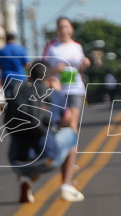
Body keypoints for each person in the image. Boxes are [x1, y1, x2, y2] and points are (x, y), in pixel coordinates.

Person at [5, 62, 80, 204]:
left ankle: (25, 178)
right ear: (50, 78)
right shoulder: (53, 94)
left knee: (24, 138)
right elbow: (67, 120)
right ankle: (66, 186)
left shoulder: (17, 93)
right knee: (71, 134)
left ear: (29, 76)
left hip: (17, 162)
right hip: (47, 160)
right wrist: (57, 92)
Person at [41, 16, 89, 201]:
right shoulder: (52, 47)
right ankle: (65, 164)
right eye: (61, 27)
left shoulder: (77, 46)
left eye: (67, 27)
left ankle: (68, 173)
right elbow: (42, 68)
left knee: (72, 126)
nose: (64, 30)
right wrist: (55, 70)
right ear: (57, 30)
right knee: (62, 128)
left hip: (75, 89)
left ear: (72, 29)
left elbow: (81, 66)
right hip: (58, 91)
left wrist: (85, 64)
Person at [0, 31, 29, 99]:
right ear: (14, 39)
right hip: (20, 77)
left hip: (7, 78)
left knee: (9, 100)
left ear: (6, 40)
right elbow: (27, 64)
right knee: (21, 99)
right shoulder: (21, 49)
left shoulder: (1, 51)